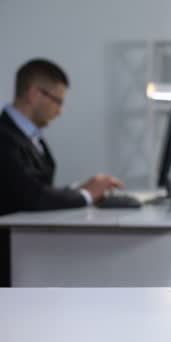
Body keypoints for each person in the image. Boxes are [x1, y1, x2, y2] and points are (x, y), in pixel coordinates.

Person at [0, 59, 124, 286]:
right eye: (57, 101)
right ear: (35, 94)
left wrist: (81, 189)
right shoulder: (4, 137)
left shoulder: (30, 137)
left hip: (25, 255)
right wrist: (86, 195)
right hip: (8, 262)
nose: (60, 111)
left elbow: (33, 186)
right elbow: (31, 195)